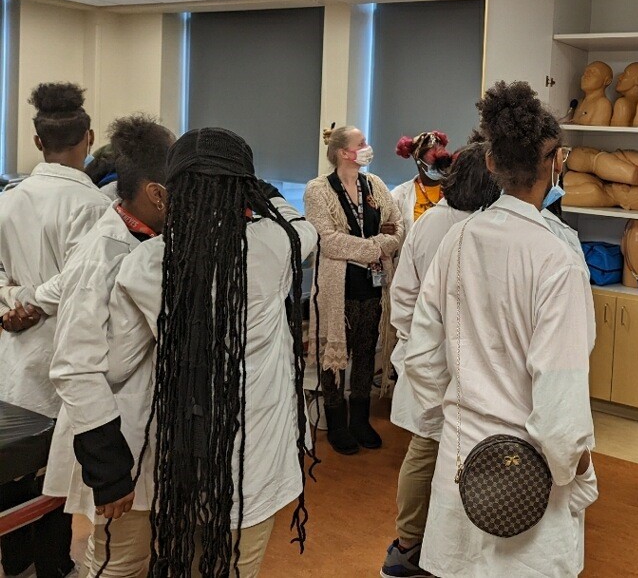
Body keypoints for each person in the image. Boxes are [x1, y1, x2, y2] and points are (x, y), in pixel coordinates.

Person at [404, 81, 597, 578]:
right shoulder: (559, 260)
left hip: (461, 461)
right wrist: (576, 478)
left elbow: (422, 359)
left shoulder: (458, 240)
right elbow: (561, 402)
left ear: (490, 163)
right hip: (528, 477)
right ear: (554, 163)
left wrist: (449, 426)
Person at [112, 127, 318, 577]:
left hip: (184, 455)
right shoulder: (275, 244)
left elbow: (116, 364)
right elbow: (306, 229)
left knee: (183, 559)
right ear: (243, 187)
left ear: (173, 190)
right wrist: (267, 196)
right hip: (253, 465)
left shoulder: (145, 264)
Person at [43, 115, 174, 577]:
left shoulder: (152, 238)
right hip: (115, 436)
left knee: (142, 557)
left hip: (149, 429)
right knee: (118, 563)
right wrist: (109, 467)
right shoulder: (102, 252)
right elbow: (74, 367)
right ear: (157, 193)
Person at [0, 82, 108, 578]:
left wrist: (13, 304)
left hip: (15, 343)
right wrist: (35, 306)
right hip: (61, 345)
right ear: (88, 138)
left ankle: (17, 558)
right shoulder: (94, 206)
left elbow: (3, 274)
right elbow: (81, 277)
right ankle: (48, 564)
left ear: (38, 141)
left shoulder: (10, 198)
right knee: (53, 465)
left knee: (15, 462)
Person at [382, 143, 501, 578]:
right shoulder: (485, 229)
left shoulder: (429, 221)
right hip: (462, 363)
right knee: (458, 451)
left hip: (428, 356)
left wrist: (416, 344)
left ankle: (407, 545)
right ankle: (443, 548)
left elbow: (404, 295)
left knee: (425, 447)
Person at [305, 126, 404, 455]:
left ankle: (360, 420)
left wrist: (378, 245)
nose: (367, 147)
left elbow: (397, 225)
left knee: (365, 353)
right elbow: (328, 241)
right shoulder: (318, 190)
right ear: (344, 152)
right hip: (338, 288)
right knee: (334, 358)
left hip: (373, 286)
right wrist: (377, 246)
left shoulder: (374, 184)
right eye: (361, 144)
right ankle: (336, 424)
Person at [390, 131, 453, 236]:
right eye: (434, 165)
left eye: (441, 164)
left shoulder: (455, 190)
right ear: (419, 162)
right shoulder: (399, 195)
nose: (438, 168)